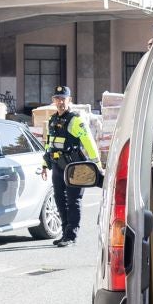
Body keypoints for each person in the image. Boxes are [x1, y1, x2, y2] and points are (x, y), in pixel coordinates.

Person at [41, 86, 100, 247]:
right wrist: (45, 164)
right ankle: (65, 232)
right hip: (58, 166)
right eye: (57, 98)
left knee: (73, 201)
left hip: (75, 167)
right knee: (60, 200)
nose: (60, 102)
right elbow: (49, 144)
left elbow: (89, 141)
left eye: (63, 99)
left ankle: (71, 235)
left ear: (69, 100)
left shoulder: (75, 120)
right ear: (53, 100)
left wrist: (97, 164)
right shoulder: (53, 120)